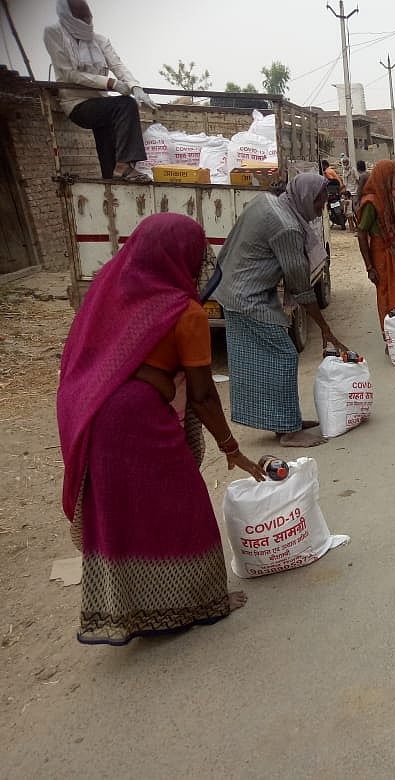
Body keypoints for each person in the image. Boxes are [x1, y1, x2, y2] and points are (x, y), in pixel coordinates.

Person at [56, 213, 265, 645]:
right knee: (183, 511)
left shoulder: (108, 290)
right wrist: (232, 448)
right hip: (138, 419)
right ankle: (196, 604)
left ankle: (131, 612)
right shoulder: (183, 312)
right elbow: (204, 394)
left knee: (124, 517)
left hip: (94, 415)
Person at [213, 173, 349, 448]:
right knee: (284, 355)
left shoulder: (267, 202)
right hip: (246, 297)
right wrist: (326, 330)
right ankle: (288, 431)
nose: (323, 205)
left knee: (268, 360)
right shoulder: (287, 227)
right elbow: (301, 287)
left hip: (230, 288)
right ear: (303, 197)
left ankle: (286, 420)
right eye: (318, 199)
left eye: (325, 198)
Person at [44, 0, 159, 181]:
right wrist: (111, 83)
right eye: (81, 18)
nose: (86, 22)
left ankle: (113, 179)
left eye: (88, 17)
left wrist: (135, 86)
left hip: (101, 105)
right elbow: (70, 74)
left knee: (108, 143)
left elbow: (118, 65)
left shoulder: (99, 40)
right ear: (67, 18)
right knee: (125, 104)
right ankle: (123, 165)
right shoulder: (54, 34)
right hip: (78, 105)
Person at [356, 160, 395, 332]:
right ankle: (391, 336)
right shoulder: (371, 203)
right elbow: (361, 233)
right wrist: (369, 267)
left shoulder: (391, 201)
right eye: (393, 178)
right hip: (381, 256)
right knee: (386, 294)